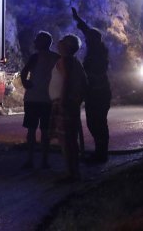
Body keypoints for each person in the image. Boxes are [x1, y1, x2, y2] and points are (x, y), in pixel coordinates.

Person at [72, 7, 112, 163]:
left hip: (98, 93)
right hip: (94, 92)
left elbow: (95, 75)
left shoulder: (98, 53)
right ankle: (100, 152)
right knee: (93, 122)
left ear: (94, 40)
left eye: (89, 39)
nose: (86, 41)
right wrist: (78, 19)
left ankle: (101, 154)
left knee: (98, 123)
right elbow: (87, 31)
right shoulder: (95, 49)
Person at [49, 34, 88, 182]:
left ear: (67, 46)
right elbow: (85, 83)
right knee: (71, 139)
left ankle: (71, 173)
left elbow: (66, 80)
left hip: (63, 104)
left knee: (66, 140)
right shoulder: (75, 62)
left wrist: (64, 100)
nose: (58, 42)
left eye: (62, 41)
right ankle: (73, 171)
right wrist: (77, 100)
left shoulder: (65, 61)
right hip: (70, 104)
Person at [20, 31, 60, 170]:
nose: (34, 42)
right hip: (48, 100)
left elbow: (24, 72)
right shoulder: (57, 58)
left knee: (31, 131)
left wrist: (25, 83)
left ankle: (30, 160)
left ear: (42, 42)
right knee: (45, 132)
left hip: (33, 98)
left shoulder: (35, 57)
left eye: (37, 40)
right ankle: (44, 161)